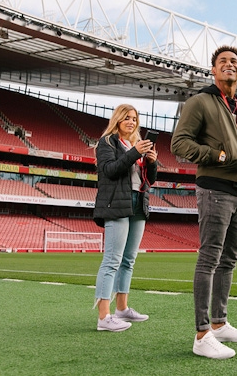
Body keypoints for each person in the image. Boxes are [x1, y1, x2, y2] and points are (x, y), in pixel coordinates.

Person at [171, 45, 237, 359]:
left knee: (229, 260)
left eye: (234, 61)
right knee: (209, 258)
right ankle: (201, 334)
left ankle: (220, 323)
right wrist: (217, 156)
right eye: (222, 61)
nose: (229, 65)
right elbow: (179, 142)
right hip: (214, 189)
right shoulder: (201, 101)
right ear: (213, 70)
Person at [93, 103, 158, 332]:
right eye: (127, 118)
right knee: (112, 260)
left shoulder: (134, 145)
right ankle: (104, 317)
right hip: (117, 204)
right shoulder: (107, 142)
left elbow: (149, 179)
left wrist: (151, 162)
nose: (131, 122)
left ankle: (122, 308)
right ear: (117, 120)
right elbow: (110, 170)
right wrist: (135, 153)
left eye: (134, 118)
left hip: (138, 203)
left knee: (129, 260)